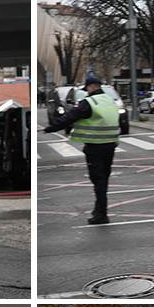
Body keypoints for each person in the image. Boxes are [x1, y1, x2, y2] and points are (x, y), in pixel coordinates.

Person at [43, 74, 120, 224]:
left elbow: (70, 117)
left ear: (91, 87)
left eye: (87, 89)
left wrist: (51, 128)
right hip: (110, 144)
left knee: (98, 180)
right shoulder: (110, 100)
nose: (87, 92)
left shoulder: (89, 102)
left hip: (95, 146)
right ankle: (99, 210)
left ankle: (101, 214)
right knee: (104, 179)